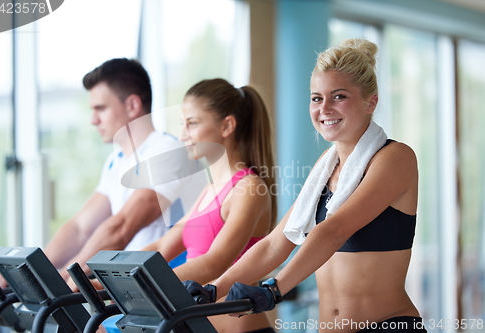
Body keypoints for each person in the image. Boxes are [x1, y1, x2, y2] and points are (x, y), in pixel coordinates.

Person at [186, 39, 427, 333]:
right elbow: (276, 243)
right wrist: (214, 288)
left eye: (338, 96)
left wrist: (274, 290)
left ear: (370, 102)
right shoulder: (324, 168)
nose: (324, 108)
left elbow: (334, 230)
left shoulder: (395, 158)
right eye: (316, 98)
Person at [141, 78, 277, 333]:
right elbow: (162, 246)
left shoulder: (249, 188)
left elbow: (215, 263)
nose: (182, 135)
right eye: (183, 124)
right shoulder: (209, 190)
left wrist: (140, 284)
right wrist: (105, 275)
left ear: (226, 126)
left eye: (192, 123)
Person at [43, 58, 191, 281]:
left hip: (173, 288)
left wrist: (65, 276)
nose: (93, 120)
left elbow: (122, 227)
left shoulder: (167, 151)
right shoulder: (117, 161)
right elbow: (81, 227)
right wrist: (34, 272)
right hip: (138, 286)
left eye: (100, 109)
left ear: (132, 105)